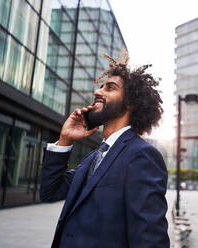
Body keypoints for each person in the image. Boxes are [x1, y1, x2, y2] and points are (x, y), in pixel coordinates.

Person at [40, 51, 170, 248]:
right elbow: (50, 192)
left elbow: (150, 240)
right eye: (101, 86)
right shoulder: (95, 156)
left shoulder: (142, 155)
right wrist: (64, 139)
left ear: (130, 104)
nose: (97, 92)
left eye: (110, 88)